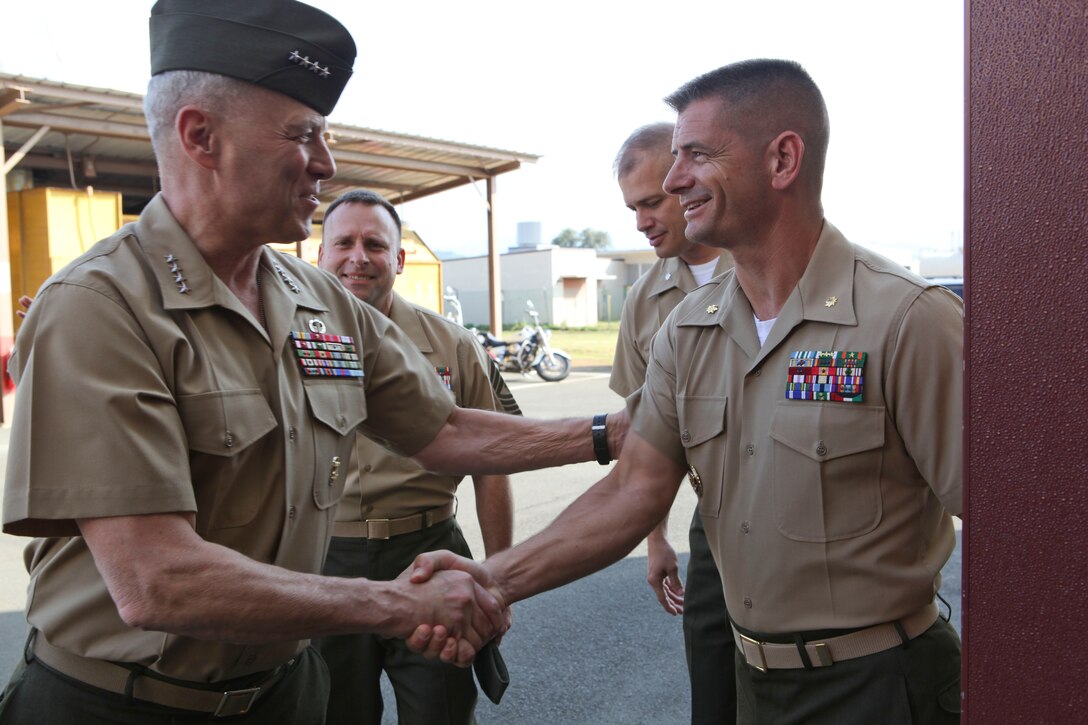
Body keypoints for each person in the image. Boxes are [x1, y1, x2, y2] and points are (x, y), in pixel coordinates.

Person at [0, 2, 623, 723]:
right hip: (123, 704)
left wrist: (608, 431)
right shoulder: (101, 306)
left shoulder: (316, 297)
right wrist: (401, 602)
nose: (326, 163)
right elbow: (157, 579)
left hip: (285, 692)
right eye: (302, 136)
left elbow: (443, 428)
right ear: (201, 135)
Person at [414, 58, 963, 724]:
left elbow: (1023, 527)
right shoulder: (687, 330)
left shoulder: (907, 320)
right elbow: (632, 489)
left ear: (783, 158)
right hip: (754, 682)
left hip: (882, 688)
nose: (673, 180)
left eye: (695, 155)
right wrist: (491, 579)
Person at [313, 189, 516, 724]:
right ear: (321, 254)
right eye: (344, 243)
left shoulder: (454, 345)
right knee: (334, 712)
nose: (359, 256)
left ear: (399, 259)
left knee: (440, 714)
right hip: (326, 563)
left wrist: (497, 575)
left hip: (430, 557)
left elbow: (491, 465)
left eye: (375, 244)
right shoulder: (283, 341)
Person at [610, 122, 736, 724]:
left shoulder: (770, 268)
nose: (641, 221)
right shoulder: (644, 299)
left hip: (807, 527)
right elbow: (645, 440)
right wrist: (655, 537)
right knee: (714, 693)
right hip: (712, 531)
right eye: (633, 208)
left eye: (653, 202)